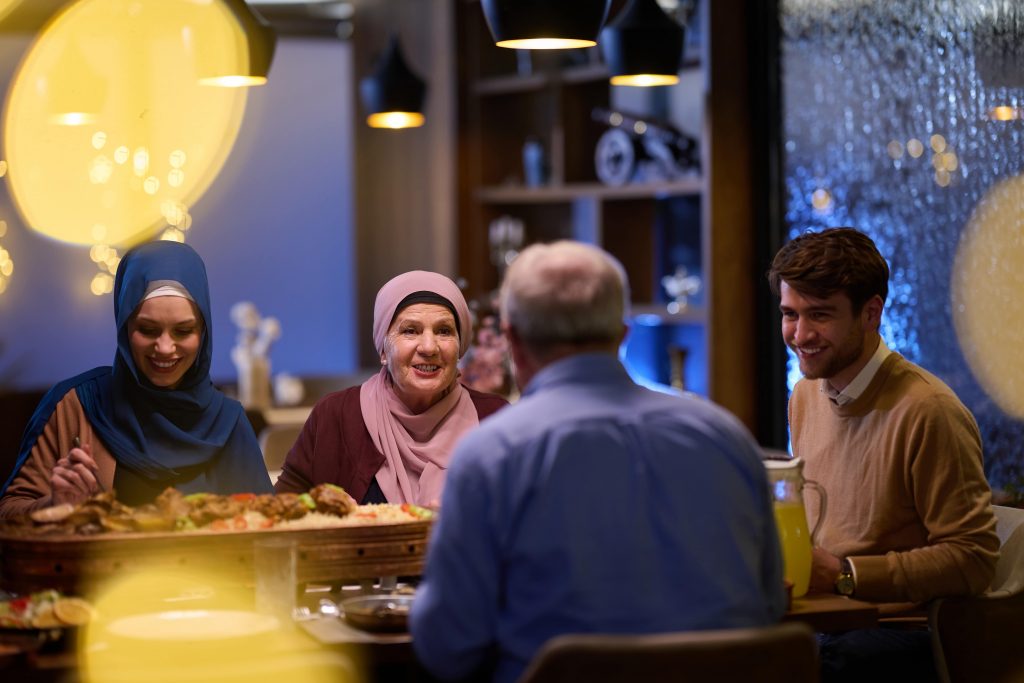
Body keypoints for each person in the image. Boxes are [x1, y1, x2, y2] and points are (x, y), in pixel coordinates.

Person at [410, 241, 786, 683]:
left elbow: (448, 646)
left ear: (512, 339)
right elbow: (770, 603)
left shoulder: (492, 455)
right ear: (623, 333)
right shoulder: (725, 437)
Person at [767, 227, 999, 680]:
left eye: (819, 315)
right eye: (789, 314)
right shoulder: (805, 395)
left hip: (898, 632)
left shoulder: (928, 410)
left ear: (871, 313)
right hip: (827, 617)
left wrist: (846, 573)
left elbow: (974, 557)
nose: (799, 334)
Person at [0, 241, 272, 517]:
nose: (165, 347)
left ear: (203, 331)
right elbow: (8, 516)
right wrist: (55, 507)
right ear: (124, 325)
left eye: (183, 330)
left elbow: (266, 530)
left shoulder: (228, 424)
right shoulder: (78, 406)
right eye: (147, 329)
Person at [274, 271, 508, 505]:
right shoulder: (336, 416)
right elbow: (280, 511)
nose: (429, 347)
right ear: (383, 350)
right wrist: (324, 512)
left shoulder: (495, 421)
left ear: (460, 347)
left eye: (443, 331)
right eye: (410, 331)